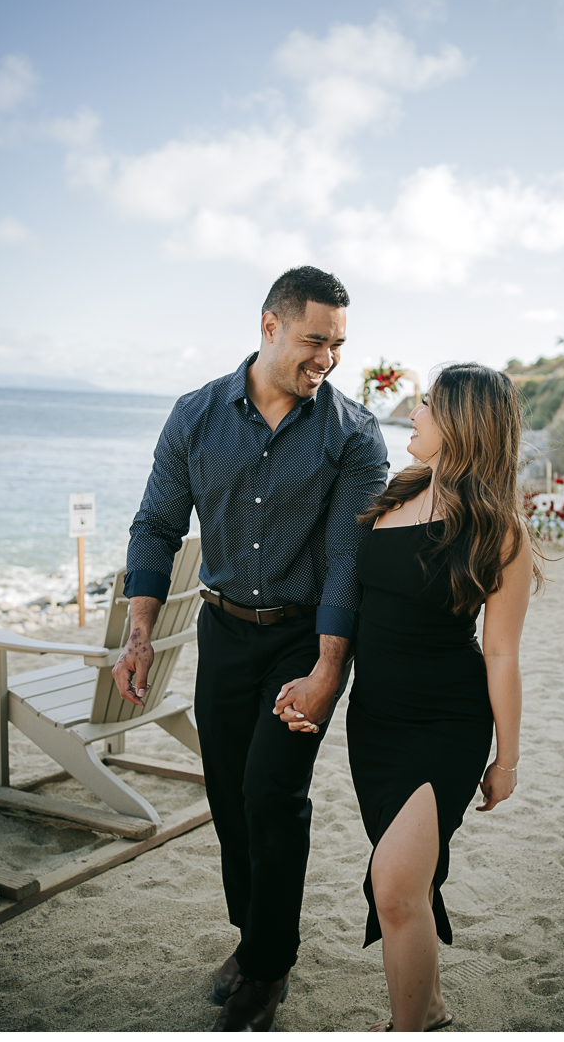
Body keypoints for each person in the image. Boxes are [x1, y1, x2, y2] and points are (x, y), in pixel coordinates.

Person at [112, 266, 388, 1032]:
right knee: (231, 801)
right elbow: (156, 527)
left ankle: (269, 966)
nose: (327, 357)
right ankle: (251, 939)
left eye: (337, 344)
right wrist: (137, 635)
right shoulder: (196, 416)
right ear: (269, 326)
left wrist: (330, 668)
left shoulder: (354, 436)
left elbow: (345, 562)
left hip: (305, 639)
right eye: (314, 340)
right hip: (222, 631)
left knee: (273, 796)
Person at [342, 362, 542, 1032]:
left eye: (426, 403)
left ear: (461, 422)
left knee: (394, 885)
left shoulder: (498, 529)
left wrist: (506, 759)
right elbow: (357, 609)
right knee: (410, 885)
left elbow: (503, 651)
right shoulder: (394, 496)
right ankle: (426, 1011)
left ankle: (415, 1027)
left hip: (445, 725)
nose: (414, 411)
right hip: (371, 722)